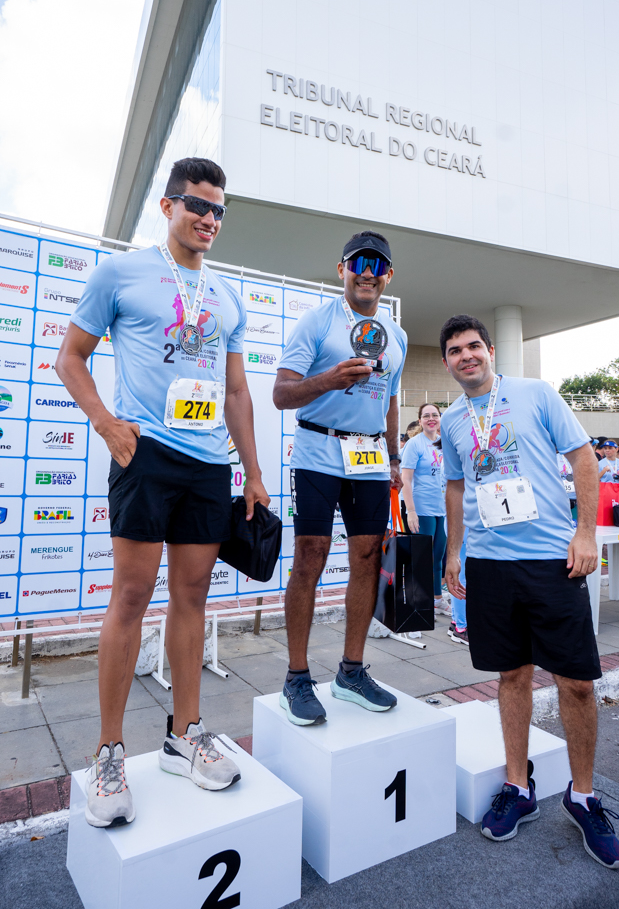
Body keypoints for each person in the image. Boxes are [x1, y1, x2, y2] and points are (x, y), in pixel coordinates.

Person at [56, 157, 270, 827]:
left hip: (208, 465)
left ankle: (185, 734)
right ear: (167, 206)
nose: (207, 219)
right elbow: (70, 355)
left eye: (217, 210)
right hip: (145, 454)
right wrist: (105, 423)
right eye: (195, 205)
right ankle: (110, 754)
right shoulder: (121, 272)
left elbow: (236, 391)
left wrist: (254, 472)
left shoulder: (227, 294)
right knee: (129, 597)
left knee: (193, 597)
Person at [439, 314, 619, 869]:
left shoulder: (535, 393)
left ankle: (584, 795)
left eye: (474, 346)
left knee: (577, 684)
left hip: (552, 562)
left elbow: (583, 458)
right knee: (511, 675)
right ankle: (518, 788)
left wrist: (586, 532)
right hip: (490, 566)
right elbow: (455, 485)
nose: (466, 356)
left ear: (491, 351)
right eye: (454, 351)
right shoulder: (450, 419)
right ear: (447, 362)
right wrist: (453, 551)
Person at [273, 231, 407, 726]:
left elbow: (390, 400)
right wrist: (330, 378)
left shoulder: (397, 332)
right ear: (342, 269)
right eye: (359, 263)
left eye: (378, 264)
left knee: (368, 559)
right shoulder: (317, 321)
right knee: (310, 557)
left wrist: (394, 456)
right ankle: (296, 677)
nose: (368, 271)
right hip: (317, 449)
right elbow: (281, 394)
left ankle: (351, 672)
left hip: (370, 457)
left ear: (387, 275)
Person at [401, 403, 449, 617]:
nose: (431, 419)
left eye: (435, 415)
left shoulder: (444, 443)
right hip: (422, 508)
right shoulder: (414, 444)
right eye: (426, 416)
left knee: (438, 555)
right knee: (422, 557)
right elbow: (406, 480)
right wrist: (411, 510)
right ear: (420, 420)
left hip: (443, 509)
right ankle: (417, 603)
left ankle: (437, 599)